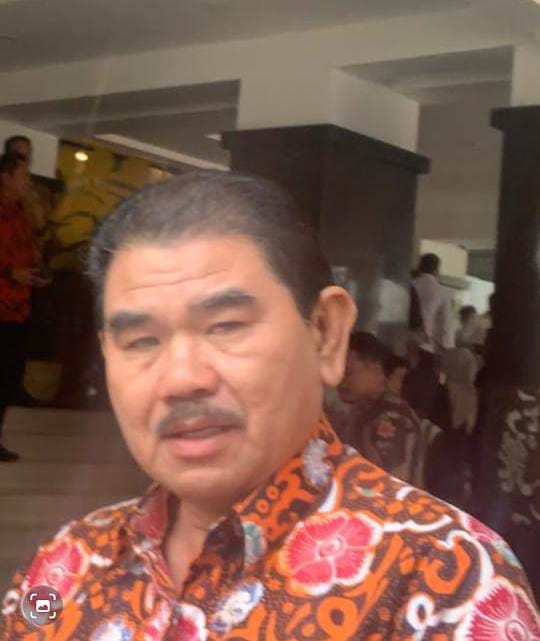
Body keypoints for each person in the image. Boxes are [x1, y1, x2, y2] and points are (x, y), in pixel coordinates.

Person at [1, 171, 537, 639]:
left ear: (326, 333)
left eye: (225, 326)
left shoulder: (444, 578)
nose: (181, 379)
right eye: (141, 340)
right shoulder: (62, 569)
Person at [0, 154, 48, 463]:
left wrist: (35, 273)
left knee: (8, 377)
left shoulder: (20, 213)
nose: (28, 181)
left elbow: (29, 249)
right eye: (23, 175)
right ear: (5, 177)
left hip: (17, 307)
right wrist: (9, 273)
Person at [338, 332, 425, 486]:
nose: (340, 381)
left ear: (375, 369)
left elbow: (390, 487)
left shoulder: (391, 418)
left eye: (347, 373)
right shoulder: (365, 410)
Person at [404, 253, 454, 425]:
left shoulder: (410, 284)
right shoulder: (443, 291)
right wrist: (445, 354)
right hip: (428, 350)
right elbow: (445, 326)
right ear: (436, 269)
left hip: (405, 346)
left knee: (406, 391)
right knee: (424, 397)